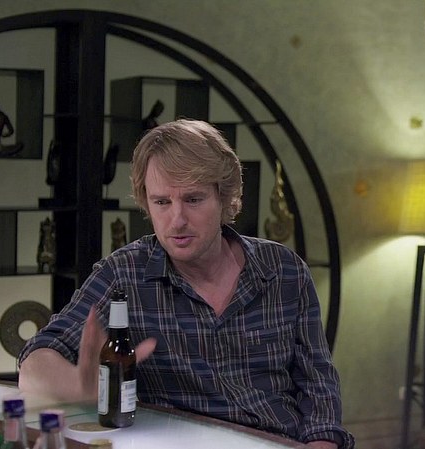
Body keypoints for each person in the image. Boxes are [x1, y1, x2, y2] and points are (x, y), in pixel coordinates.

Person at [18, 119, 354, 449]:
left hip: (278, 440)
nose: (177, 221)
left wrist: (321, 444)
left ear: (224, 198)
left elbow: (318, 384)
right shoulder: (125, 274)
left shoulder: (284, 270)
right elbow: (37, 357)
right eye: (162, 202)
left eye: (193, 199)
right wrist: (73, 386)